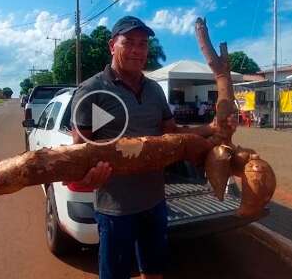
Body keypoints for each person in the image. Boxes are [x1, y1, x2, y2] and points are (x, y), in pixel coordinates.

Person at [71, 16, 236, 279]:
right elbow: (79, 151)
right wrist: (88, 176)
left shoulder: (154, 90)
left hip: (154, 201)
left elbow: (172, 133)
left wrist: (212, 128)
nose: (138, 50)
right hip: (116, 208)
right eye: (129, 42)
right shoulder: (92, 89)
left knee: (154, 271)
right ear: (112, 45)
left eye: (143, 43)